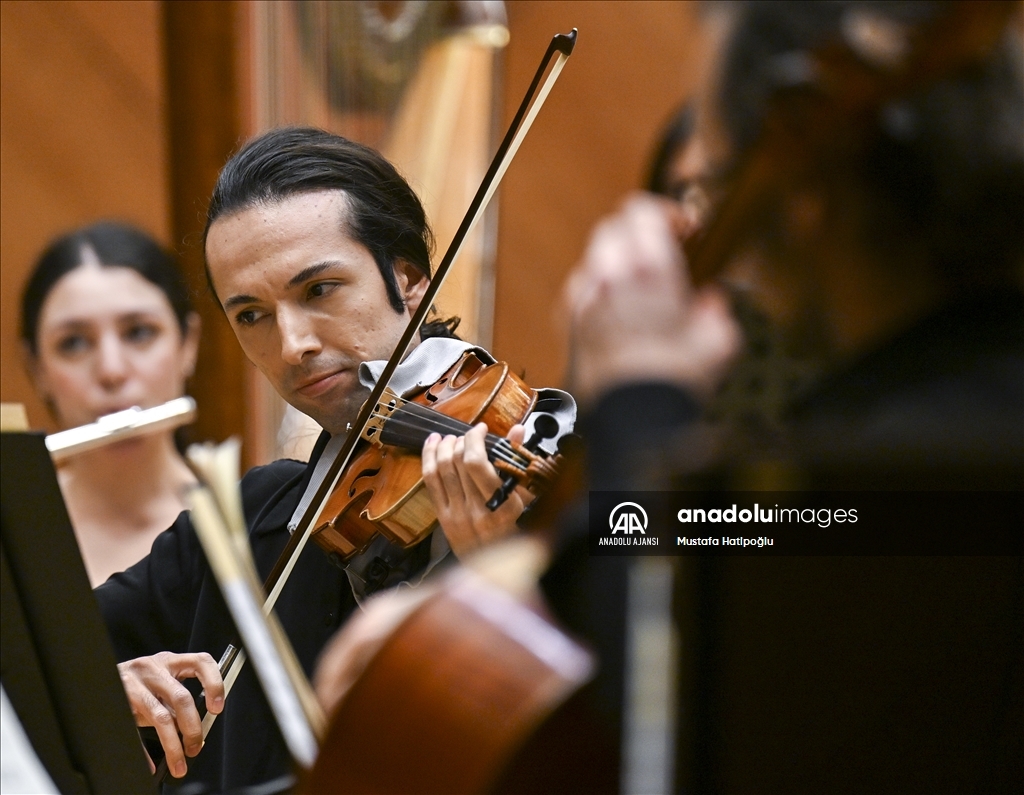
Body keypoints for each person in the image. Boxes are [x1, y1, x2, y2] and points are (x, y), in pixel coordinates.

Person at [549, 1, 1023, 791]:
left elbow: (668, 717)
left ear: (802, 182)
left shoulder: (873, 482)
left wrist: (637, 397)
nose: (700, 204)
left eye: (711, 160)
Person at [94, 127, 574, 793]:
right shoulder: (245, 523)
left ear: (406, 281)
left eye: (318, 290)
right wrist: (96, 690)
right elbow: (30, 657)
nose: (291, 345)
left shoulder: (558, 494)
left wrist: (526, 593)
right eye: (252, 315)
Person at [20, 222, 201, 586]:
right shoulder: (14, 535)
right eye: (73, 343)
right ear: (36, 368)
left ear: (188, 344)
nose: (111, 370)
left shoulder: (247, 524)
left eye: (139, 332)